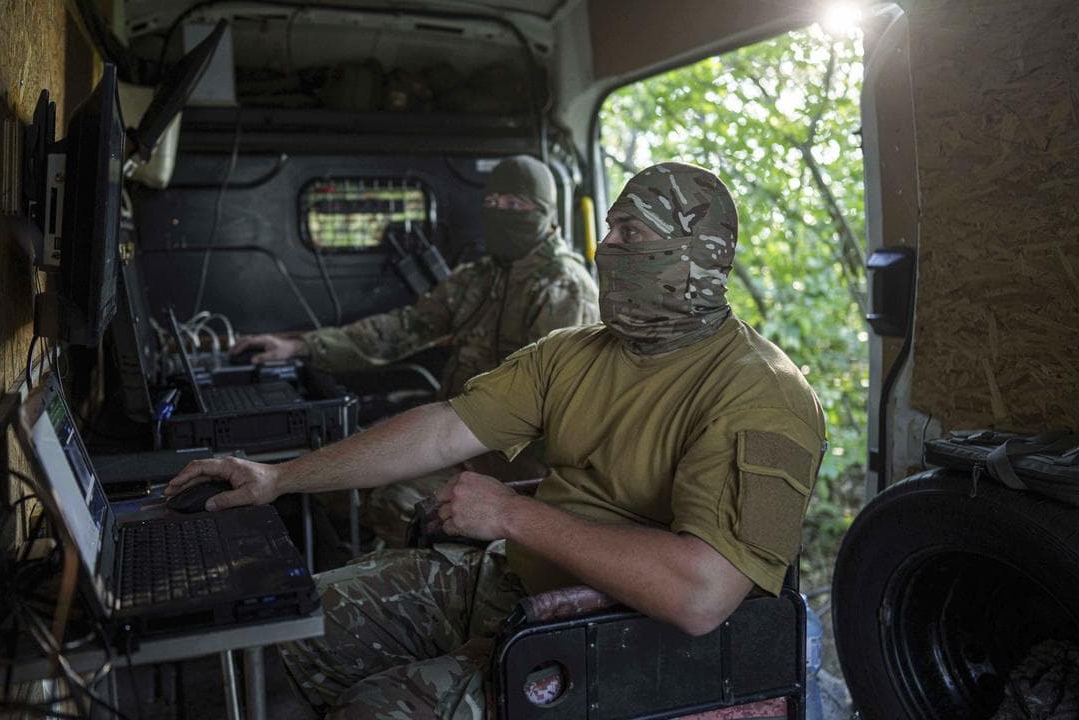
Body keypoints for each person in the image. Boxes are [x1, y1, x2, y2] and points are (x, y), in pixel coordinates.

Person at [168, 161, 826, 719]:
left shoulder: (765, 396)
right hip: (513, 582)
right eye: (610, 231)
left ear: (697, 255)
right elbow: (445, 427)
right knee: (304, 620)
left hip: (618, 636)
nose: (609, 249)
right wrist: (279, 477)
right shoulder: (574, 354)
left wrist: (510, 513)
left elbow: (702, 596)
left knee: (376, 708)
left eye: (630, 233)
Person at [231, 154, 599, 546]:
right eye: (492, 203)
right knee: (330, 477)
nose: (500, 212)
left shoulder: (564, 289)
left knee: (400, 502)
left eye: (515, 205)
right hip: (453, 434)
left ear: (543, 210)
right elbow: (403, 328)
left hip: (510, 459)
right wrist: (301, 345)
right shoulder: (482, 276)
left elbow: (552, 407)